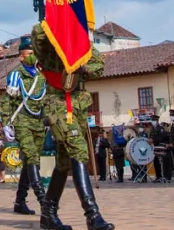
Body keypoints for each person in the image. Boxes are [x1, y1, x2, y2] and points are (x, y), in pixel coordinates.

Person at [30, 22, 113, 230]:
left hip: (77, 105)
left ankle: (48, 214)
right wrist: (56, 19)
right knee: (78, 150)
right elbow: (37, 37)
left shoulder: (81, 44)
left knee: (64, 163)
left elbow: (99, 67)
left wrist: (83, 67)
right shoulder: (49, 43)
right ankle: (92, 215)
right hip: (57, 105)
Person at [0, 35, 47, 215]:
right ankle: (45, 202)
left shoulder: (41, 76)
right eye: (30, 54)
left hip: (38, 123)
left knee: (30, 162)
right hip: (22, 123)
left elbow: (46, 100)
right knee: (32, 158)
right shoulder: (16, 75)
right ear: (21, 57)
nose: (34, 56)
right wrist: (5, 123)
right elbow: (7, 101)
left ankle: (20, 201)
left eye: (35, 53)